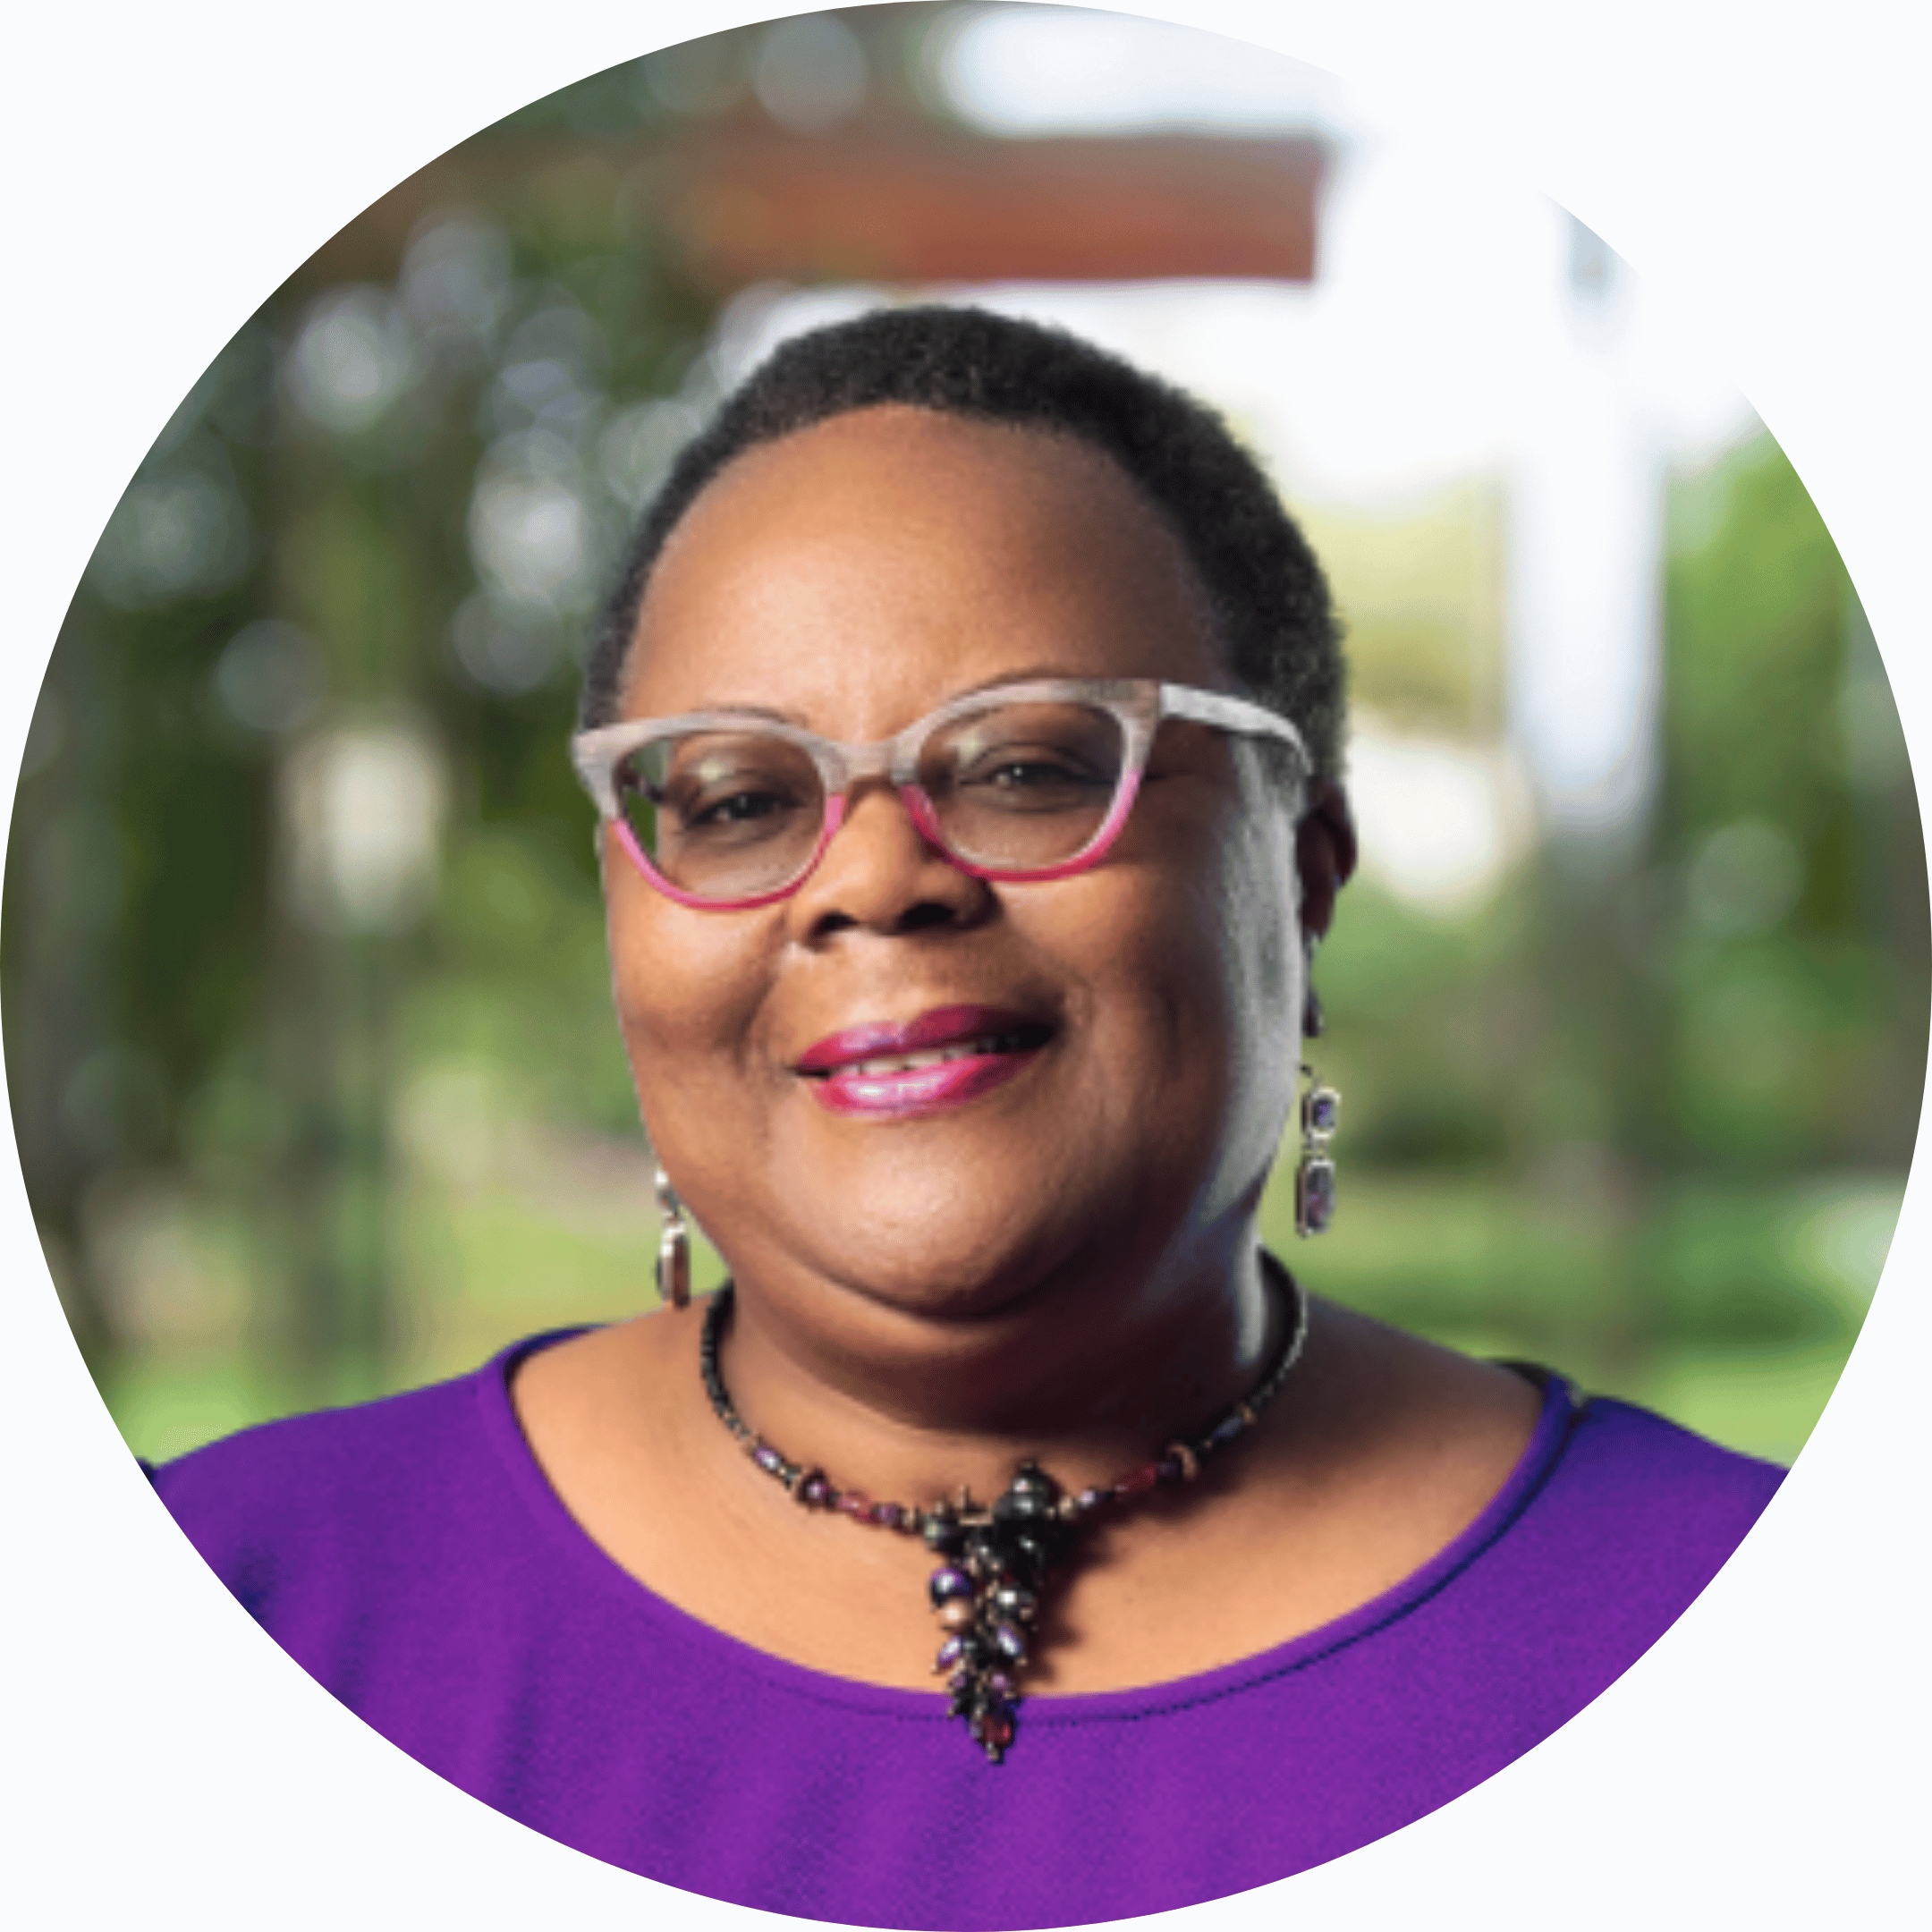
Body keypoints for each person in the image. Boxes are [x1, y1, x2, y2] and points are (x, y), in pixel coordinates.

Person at [148, 306, 1782, 1929]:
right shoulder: (216, 1609)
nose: (874, 879)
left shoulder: (1753, 1627)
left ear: (1300, 874)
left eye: (1027, 769)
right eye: (735, 801)